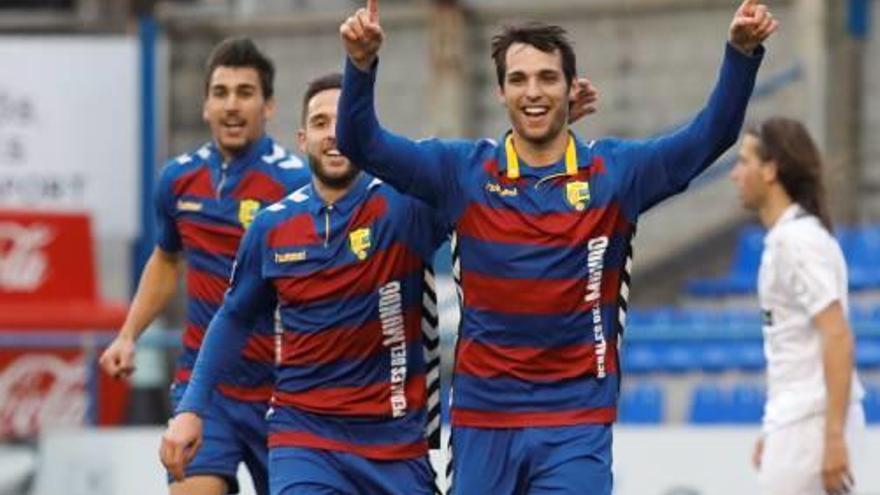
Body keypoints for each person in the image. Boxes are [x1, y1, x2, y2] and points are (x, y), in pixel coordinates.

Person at [337, 0, 777, 493]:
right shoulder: (462, 173)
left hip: (575, 423)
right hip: (485, 421)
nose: (533, 91)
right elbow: (361, 143)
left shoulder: (615, 175)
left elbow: (707, 137)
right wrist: (360, 66)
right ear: (500, 92)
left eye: (548, 78)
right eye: (519, 79)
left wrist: (741, 54)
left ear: (571, 89)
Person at [159, 73, 448, 495]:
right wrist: (192, 408)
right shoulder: (272, 227)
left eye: (343, 122)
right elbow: (234, 316)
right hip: (306, 439)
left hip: (395, 445)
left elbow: (479, 192)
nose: (333, 135)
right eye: (319, 123)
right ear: (301, 139)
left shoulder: (406, 208)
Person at [99, 37, 310, 495]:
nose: (232, 105)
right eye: (221, 92)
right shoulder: (177, 179)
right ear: (205, 105)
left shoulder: (294, 184)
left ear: (268, 106)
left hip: (284, 394)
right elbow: (166, 259)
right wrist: (128, 335)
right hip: (205, 387)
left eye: (245, 93)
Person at [730, 117, 866, 495]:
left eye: (744, 162)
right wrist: (774, 429)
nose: (735, 174)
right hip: (798, 423)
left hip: (811, 425)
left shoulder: (797, 242)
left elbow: (837, 334)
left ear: (770, 170)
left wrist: (832, 437)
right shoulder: (791, 239)